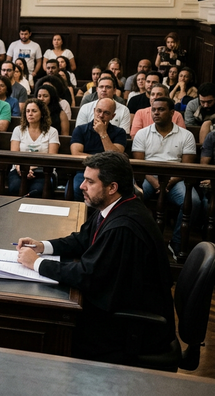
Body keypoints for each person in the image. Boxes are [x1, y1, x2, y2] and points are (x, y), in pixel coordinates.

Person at [16, 151, 175, 364]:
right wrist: (42, 246)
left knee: (46, 325)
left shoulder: (123, 227)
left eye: (90, 182)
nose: (82, 186)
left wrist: (36, 263)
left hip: (130, 329)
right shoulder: (116, 206)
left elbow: (89, 275)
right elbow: (82, 239)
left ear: (112, 187)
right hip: (122, 311)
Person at [133, 97, 200, 260]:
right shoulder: (143, 133)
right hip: (149, 177)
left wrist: (169, 181)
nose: (156, 113)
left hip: (175, 178)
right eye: (153, 110)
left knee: (194, 202)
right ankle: (138, 240)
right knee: (132, 198)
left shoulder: (186, 135)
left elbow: (187, 166)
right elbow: (139, 164)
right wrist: (156, 182)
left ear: (172, 113)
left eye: (161, 109)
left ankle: (176, 242)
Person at [70, 98, 127, 201]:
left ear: (112, 116)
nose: (101, 115)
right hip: (85, 170)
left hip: (110, 172)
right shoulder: (80, 130)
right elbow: (76, 153)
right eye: (99, 111)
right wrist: (104, 160)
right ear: (94, 111)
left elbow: (115, 156)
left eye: (106, 113)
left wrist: (103, 133)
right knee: (77, 187)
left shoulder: (119, 132)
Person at [8, 99, 59, 197]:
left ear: (42, 113)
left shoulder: (52, 132)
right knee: (15, 187)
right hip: (20, 170)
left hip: (44, 171)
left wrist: (31, 168)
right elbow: (14, 155)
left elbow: (52, 157)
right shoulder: (18, 130)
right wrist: (21, 168)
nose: (30, 114)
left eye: (34, 111)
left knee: (37, 191)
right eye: (28, 111)